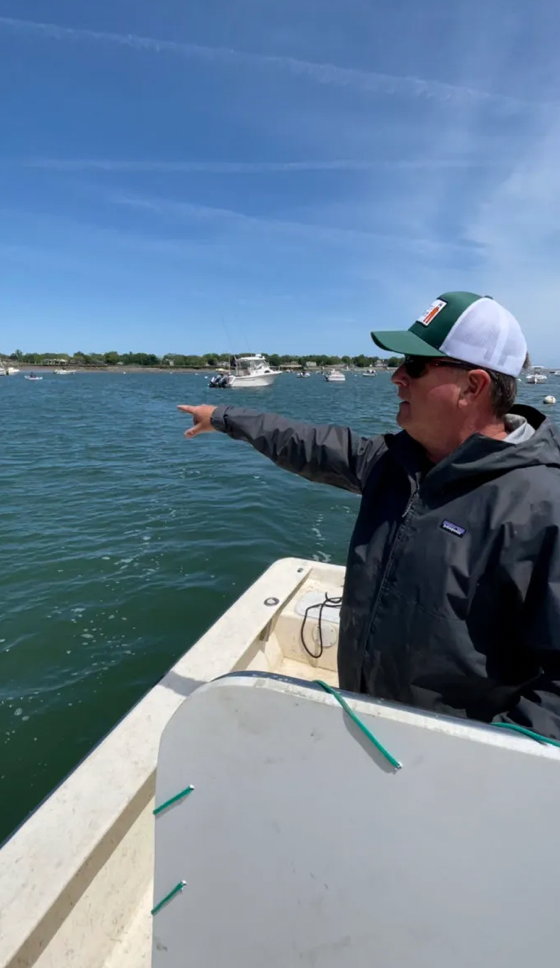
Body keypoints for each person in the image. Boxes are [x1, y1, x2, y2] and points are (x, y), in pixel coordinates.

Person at [179, 291, 560, 739]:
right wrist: (224, 416)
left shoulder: (542, 507)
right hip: (366, 721)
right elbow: (306, 443)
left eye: (415, 365)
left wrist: (475, 771)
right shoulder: (393, 463)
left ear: (472, 387)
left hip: (450, 767)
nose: (397, 377)